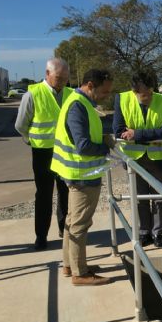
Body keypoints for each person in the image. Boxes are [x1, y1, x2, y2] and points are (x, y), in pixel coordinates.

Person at [51, 69, 116, 286]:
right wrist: (105, 146)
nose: (106, 95)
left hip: (78, 173)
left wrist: (102, 137)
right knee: (79, 224)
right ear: (90, 85)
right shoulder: (78, 105)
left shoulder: (79, 101)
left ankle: (71, 265)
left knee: (72, 221)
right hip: (82, 175)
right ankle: (80, 273)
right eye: (104, 91)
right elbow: (84, 145)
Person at [15, 58, 71, 250]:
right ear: (47, 74)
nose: (62, 81)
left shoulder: (70, 94)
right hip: (42, 153)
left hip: (65, 152)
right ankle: (41, 236)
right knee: (44, 194)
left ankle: (65, 230)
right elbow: (21, 124)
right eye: (58, 77)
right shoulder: (33, 94)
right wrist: (29, 139)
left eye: (65, 78)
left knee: (66, 192)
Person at [113, 70, 162, 248]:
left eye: (149, 93)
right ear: (134, 91)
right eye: (142, 94)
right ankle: (144, 231)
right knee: (140, 198)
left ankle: (158, 232)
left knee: (159, 198)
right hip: (134, 159)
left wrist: (137, 134)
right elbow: (118, 130)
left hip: (158, 158)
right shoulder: (122, 99)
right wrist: (145, 135)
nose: (146, 98)